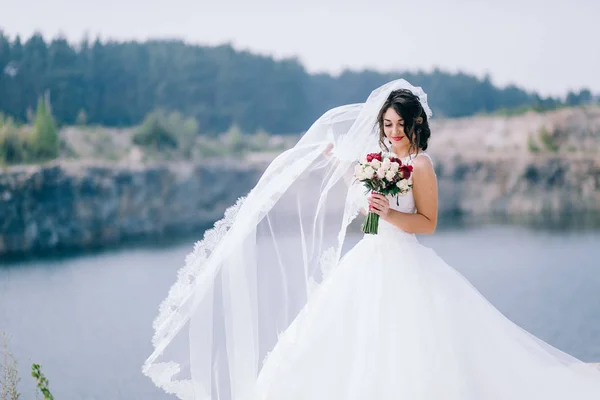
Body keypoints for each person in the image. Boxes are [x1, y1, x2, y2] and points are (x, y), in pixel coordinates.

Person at [143, 79, 600, 400]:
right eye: (387, 125)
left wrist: (388, 216)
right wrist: (342, 168)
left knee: (409, 347)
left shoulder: (422, 166)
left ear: (416, 125)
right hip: (367, 257)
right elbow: (365, 200)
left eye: (401, 125)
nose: (394, 132)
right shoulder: (376, 161)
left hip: (405, 262)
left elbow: (427, 222)